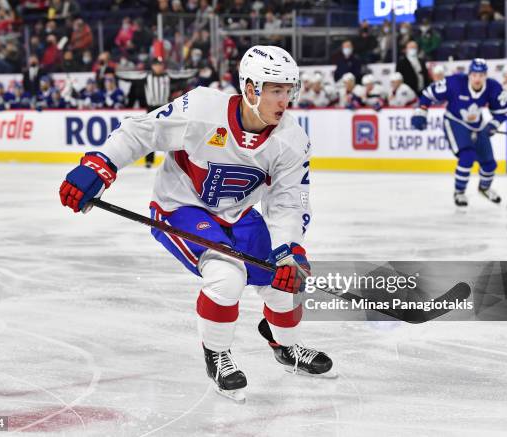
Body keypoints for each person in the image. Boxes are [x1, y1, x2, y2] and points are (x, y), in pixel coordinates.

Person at [58, 45, 335, 403]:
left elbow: (287, 200)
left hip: (238, 214)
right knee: (226, 275)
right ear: (250, 89)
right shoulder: (204, 109)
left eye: (288, 90)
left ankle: (287, 346)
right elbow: (143, 131)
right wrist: (100, 165)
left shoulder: (291, 140)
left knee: (286, 286)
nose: (285, 101)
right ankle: (217, 354)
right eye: (276, 90)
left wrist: (288, 252)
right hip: (182, 206)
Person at [411, 58, 507, 207]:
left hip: (477, 125)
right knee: (467, 156)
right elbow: (428, 94)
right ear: (469, 74)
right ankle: (459, 192)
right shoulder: (455, 83)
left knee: (489, 164)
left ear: (486, 75)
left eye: (481, 75)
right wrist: (421, 112)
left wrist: (492, 125)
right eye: (474, 74)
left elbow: (501, 112)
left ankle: (484, 188)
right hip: (455, 122)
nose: (477, 78)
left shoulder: (493, 87)